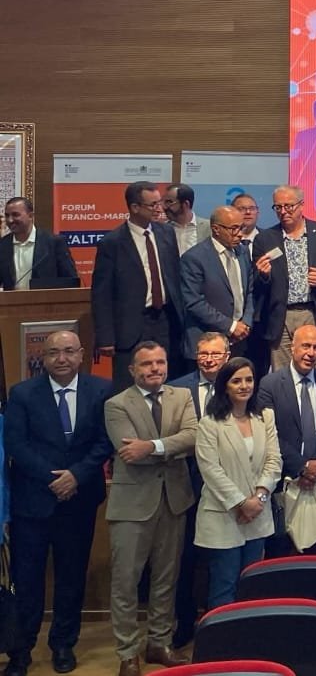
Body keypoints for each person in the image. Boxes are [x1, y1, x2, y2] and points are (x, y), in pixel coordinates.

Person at [3, 331, 113, 676]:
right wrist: (53, 479)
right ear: (43, 358)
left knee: (71, 578)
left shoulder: (102, 390)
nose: (61, 358)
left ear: (81, 354)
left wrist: (76, 476)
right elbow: (16, 444)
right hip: (33, 503)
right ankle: (21, 651)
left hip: (79, 500)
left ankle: (63, 644)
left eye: (68, 351)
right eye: (53, 352)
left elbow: (105, 441)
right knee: (27, 580)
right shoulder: (22, 393)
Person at [104, 342, 198, 675]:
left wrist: (153, 446)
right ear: (132, 370)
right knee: (126, 581)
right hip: (132, 505)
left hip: (174, 499)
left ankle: (159, 643)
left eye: (160, 362)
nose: (155, 368)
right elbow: (129, 453)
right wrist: (168, 448)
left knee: (166, 578)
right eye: (147, 364)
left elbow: (193, 437)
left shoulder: (181, 397)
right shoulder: (117, 404)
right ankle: (128, 652)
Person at [194, 357, 282, 607]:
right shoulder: (210, 423)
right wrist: (243, 503)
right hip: (224, 515)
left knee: (252, 586)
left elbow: (274, 460)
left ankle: (249, 632)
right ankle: (222, 634)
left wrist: (259, 499)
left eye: (249, 380)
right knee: (224, 586)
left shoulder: (265, 416)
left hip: (258, 515)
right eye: (236, 381)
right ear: (225, 386)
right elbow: (210, 470)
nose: (244, 386)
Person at [167, 332, 230, 648]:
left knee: (224, 556)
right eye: (203, 353)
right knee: (185, 557)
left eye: (216, 354)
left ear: (227, 356)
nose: (209, 359)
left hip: (228, 486)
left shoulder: (238, 385)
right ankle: (185, 621)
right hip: (187, 483)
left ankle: (224, 620)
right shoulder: (177, 388)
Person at [91, 180, 185, 388]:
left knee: (167, 382)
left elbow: (174, 277)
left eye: (160, 203)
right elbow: (102, 294)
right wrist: (105, 338)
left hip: (166, 321)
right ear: (134, 207)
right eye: (153, 205)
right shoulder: (112, 243)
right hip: (131, 325)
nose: (159, 209)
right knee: (129, 387)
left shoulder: (166, 233)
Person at [257, 325, 316, 540]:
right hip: (285, 479)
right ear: (293, 347)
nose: (311, 353)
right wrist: (302, 467)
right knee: (281, 549)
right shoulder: (270, 384)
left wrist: (315, 469)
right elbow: (269, 434)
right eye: (306, 346)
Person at [253, 184, 316, 374]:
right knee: (282, 373)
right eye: (278, 207)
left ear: (302, 205)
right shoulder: (265, 238)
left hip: (313, 311)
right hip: (280, 315)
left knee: (314, 369)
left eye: (289, 206)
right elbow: (257, 285)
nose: (283, 211)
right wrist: (264, 275)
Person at [180, 205, 253, 366]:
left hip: (240, 341)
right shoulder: (194, 258)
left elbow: (250, 291)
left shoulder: (243, 252)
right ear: (216, 229)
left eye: (242, 227)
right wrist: (231, 326)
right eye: (234, 228)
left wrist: (245, 323)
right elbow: (194, 302)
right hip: (207, 343)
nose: (240, 234)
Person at [0, 196, 78, 290]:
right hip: (11, 299)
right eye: (7, 215)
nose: (10, 220)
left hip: (47, 299)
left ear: (30, 216)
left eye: (15, 215)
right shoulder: (3, 245)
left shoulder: (54, 243)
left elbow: (70, 281)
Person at [161, 184, 210, 257]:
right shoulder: (162, 230)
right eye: (163, 202)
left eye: (169, 202)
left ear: (186, 204)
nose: (164, 207)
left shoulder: (208, 228)